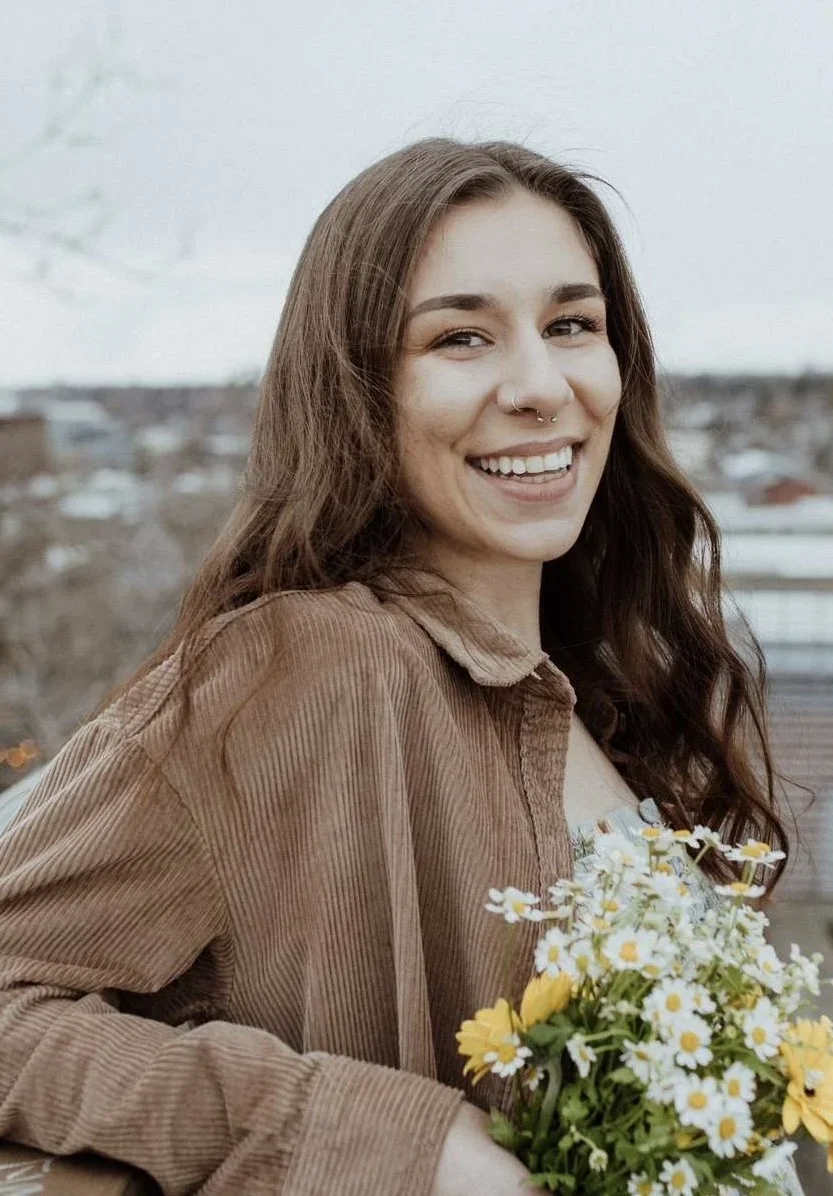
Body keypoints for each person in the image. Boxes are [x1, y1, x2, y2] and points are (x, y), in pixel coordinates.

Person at [0, 138, 791, 1195]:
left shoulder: (606, 689)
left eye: (570, 324)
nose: (537, 383)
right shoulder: (304, 665)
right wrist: (386, 1143)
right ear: (356, 388)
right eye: (459, 337)